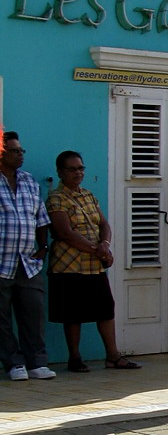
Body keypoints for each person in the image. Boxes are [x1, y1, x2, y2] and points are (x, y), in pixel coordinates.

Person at [46, 151, 138, 371]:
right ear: (60, 172)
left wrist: (104, 244)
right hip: (69, 265)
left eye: (81, 168)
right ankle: (75, 357)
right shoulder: (56, 198)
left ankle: (113, 356)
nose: (78, 173)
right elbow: (64, 232)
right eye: (72, 169)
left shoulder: (88, 196)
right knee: (72, 313)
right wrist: (97, 250)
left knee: (105, 309)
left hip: (94, 265)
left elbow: (103, 224)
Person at [0, 131, 54, 381]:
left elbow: (41, 218)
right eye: (14, 151)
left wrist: (42, 248)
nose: (20, 155)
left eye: (21, 151)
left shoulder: (29, 181)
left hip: (27, 262)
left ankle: (37, 362)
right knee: (2, 319)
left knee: (33, 314)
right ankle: (13, 364)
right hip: (1, 262)